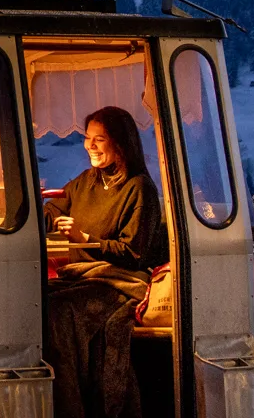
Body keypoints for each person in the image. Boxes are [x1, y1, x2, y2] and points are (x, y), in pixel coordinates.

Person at [41, 106, 167, 418]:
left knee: (60, 312)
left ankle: (74, 408)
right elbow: (50, 214)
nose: (90, 146)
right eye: (88, 138)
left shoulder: (139, 189)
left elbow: (133, 251)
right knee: (36, 301)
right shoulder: (86, 182)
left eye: (100, 139)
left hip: (120, 281)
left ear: (121, 143)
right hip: (81, 278)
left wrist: (85, 240)